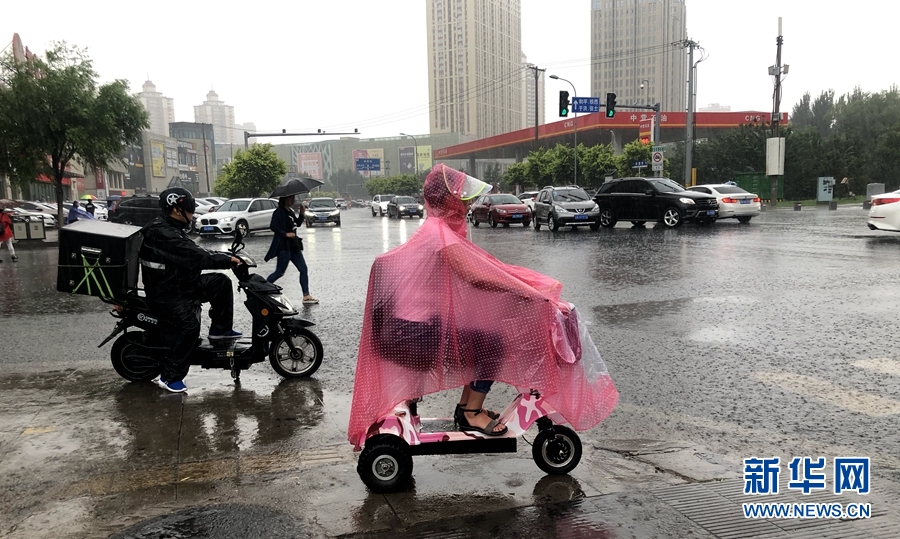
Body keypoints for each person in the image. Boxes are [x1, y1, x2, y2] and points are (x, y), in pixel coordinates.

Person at [348, 165, 619, 449]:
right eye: (462, 197)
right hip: (410, 331)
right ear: (448, 199)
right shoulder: (438, 233)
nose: (468, 203)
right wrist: (525, 292)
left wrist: (524, 287)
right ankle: (470, 411)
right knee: (492, 343)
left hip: (412, 326)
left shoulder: (438, 229)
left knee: (481, 338)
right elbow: (475, 275)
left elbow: (484, 269)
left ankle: (468, 408)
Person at [139, 187, 242, 393]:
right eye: (191, 208)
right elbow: (194, 255)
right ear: (177, 210)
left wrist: (226, 256)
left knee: (219, 282)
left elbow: (194, 250)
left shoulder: (171, 227)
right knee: (190, 326)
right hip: (167, 293)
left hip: (181, 283)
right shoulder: (162, 231)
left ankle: (220, 331)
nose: (193, 213)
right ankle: (170, 376)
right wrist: (226, 260)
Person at [264, 194, 318, 305]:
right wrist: (285, 234)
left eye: (293, 198)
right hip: (284, 246)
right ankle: (263, 289)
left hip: (294, 246)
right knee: (280, 272)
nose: (293, 200)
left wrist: (302, 214)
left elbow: (297, 224)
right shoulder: (278, 212)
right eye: (290, 198)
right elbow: (273, 226)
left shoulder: (290, 211)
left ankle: (306, 295)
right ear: (285, 199)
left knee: (303, 269)